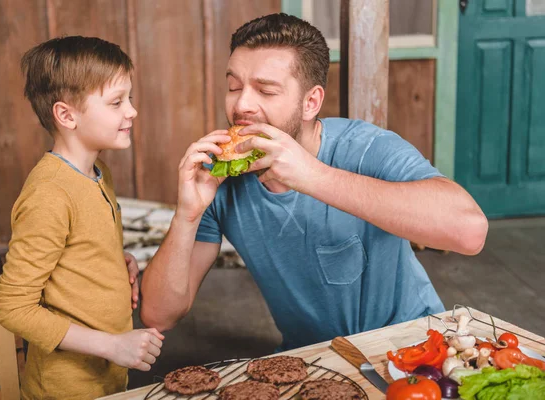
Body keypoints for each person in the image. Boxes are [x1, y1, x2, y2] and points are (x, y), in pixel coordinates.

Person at [140, 13, 488, 351]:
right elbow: (159, 315)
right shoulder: (219, 180)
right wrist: (186, 214)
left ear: (310, 102)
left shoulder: (366, 148)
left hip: (419, 348)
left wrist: (311, 175)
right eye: (234, 86)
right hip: (314, 359)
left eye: (265, 90)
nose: (242, 104)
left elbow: (470, 233)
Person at [0, 36, 163, 399]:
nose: (131, 111)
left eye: (129, 98)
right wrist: (113, 346)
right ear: (66, 115)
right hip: (66, 388)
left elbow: (75, 248)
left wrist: (111, 262)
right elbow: (13, 307)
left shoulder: (98, 171)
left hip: (108, 382)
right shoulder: (50, 193)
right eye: (117, 102)